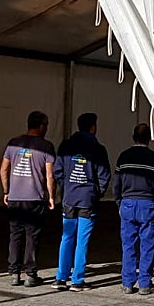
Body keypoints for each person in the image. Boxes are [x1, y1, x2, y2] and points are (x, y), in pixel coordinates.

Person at [52, 113, 111, 292]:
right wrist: (96, 193)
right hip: (87, 200)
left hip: (69, 198)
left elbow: (58, 171)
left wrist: (67, 187)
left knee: (67, 237)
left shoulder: (66, 146)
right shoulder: (98, 149)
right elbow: (104, 175)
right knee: (82, 240)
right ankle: (77, 280)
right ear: (93, 127)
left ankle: (61, 278)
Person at [0, 110, 55, 286]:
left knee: (15, 235)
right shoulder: (46, 146)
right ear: (41, 126)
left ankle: (14, 273)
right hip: (35, 198)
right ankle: (31, 274)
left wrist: (6, 191)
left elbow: (3, 170)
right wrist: (51, 196)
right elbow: (49, 175)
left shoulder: (13, 144)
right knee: (33, 236)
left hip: (16, 197)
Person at [113, 123, 154, 295]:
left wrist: (119, 202)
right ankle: (144, 283)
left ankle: (127, 283)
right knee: (147, 245)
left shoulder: (123, 157)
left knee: (128, 244)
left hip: (128, 203)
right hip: (147, 204)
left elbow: (117, 184)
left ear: (133, 137)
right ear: (149, 139)